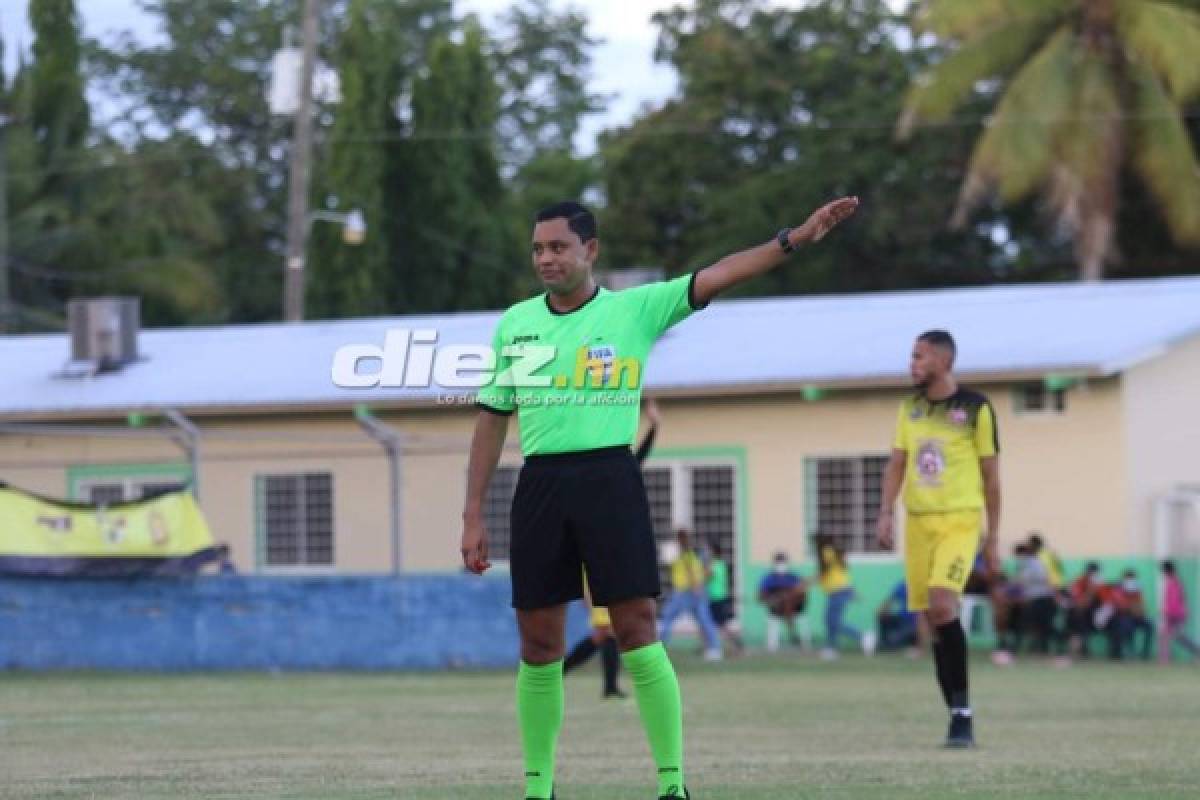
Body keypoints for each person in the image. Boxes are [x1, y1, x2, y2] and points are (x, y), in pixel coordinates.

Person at [461, 197, 858, 800]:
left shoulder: (636, 310)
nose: (546, 257)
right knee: (538, 643)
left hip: (610, 480)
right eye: (538, 248)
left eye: (558, 247)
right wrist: (472, 515)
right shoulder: (516, 322)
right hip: (539, 486)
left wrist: (794, 239)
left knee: (637, 628)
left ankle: (672, 784)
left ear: (589, 251)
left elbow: (721, 273)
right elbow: (491, 421)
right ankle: (537, 789)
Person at [876, 330, 1001, 749]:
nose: (912, 364)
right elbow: (897, 463)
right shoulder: (909, 408)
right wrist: (884, 513)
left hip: (960, 520)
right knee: (932, 620)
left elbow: (991, 477)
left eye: (920, 357)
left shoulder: (976, 408)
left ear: (944, 361)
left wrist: (994, 538)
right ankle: (957, 712)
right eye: (911, 356)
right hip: (918, 522)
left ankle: (962, 714)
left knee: (944, 603)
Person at [564, 400, 662, 697]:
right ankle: (560, 674)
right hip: (592, 558)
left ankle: (607, 686)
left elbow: (638, 458)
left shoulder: (618, 473)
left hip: (612, 555)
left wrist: (654, 427)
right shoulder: (579, 474)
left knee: (608, 633)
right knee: (605, 632)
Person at [659, 529, 722, 661]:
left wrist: (696, 586)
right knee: (703, 620)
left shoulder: (686, 553)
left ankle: (659, 649)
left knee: (668, 617)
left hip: (687, 591)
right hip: (689, 590)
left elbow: (691, 571)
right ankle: (714, 648)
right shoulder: (684, 552)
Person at [814, 533, 876, 659]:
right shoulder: (835, 553)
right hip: (840, 591)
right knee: (830, 621)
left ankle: (863, 636)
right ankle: (831, 648)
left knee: (833, 622)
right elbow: (836, 574)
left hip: (838, 592)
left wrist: (807, 582)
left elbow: (823, 573)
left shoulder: (826, 552)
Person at [757, 551, 809, 652]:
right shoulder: (768, 578)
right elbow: (761, 596)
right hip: (776, 609)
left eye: (783, 561)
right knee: (784, 602)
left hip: (795, 609)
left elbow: (803, 592)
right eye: (778, 562)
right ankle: (792, 633)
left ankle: (794, 633)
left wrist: (792, 594)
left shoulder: (794, 577)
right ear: (774, 563)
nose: (781, 564)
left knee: (789, 599)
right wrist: (772, 599)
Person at [705, 541, 744, 656]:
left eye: (708, 550)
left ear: (713, 551)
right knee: (711, 624)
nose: (706, 552)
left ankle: (737, 646)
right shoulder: (720, 564)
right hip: (716, 598)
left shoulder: (716, 564)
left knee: (721, 626)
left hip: (718, 599)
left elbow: (707, 576)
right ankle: (710, 646)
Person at [1159, 560, 1200, 664]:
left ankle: (1166, 659)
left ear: (1166, 571)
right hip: (1177, 613)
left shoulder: (1173, 582)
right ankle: (1165, 659)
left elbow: (1174, 600)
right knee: (1167, 635)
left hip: (1175, 614)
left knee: (1177, 636)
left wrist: (1167, 612)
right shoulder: (1175, 581)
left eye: (1163, 571)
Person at [877, 580, 920, 653]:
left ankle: (894, 644)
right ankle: (883, 642)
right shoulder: (904, 584)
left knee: (895, 641)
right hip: (901, 619)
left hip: (915, 623)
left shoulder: (925, 586)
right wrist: (881, 611)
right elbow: (889, 600)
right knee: (882, 617)